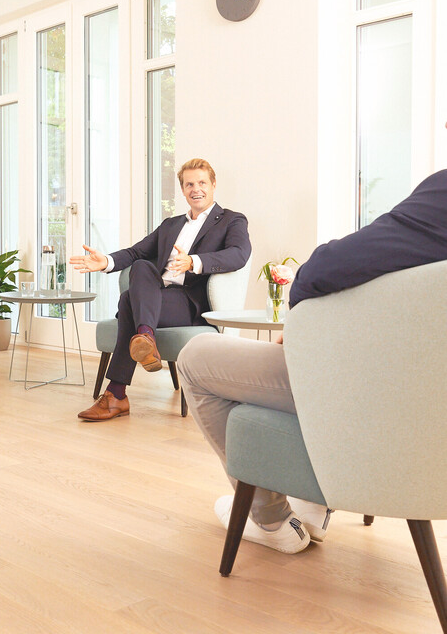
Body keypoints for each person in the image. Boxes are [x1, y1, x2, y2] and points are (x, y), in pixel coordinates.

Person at [177, 168, 447, 554]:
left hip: (377, 394)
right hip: (428, 412)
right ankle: (313, 503)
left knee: (195, 358)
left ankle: (270, 519)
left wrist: (305, 324)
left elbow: (327, 266)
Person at [71, 158, 251, 421]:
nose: (196, 189)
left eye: (202, 183)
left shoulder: (231, 220)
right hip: (155, 296)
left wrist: (194, 261)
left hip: (189, 302)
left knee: (128, 301)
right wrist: (106, 262)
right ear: (183, 190)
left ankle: (117, 393)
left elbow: (239, 254)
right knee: (141, 266)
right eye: (189, 184)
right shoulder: (171, 225)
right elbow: (136, 252)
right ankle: (145, 339)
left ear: (213, 185)